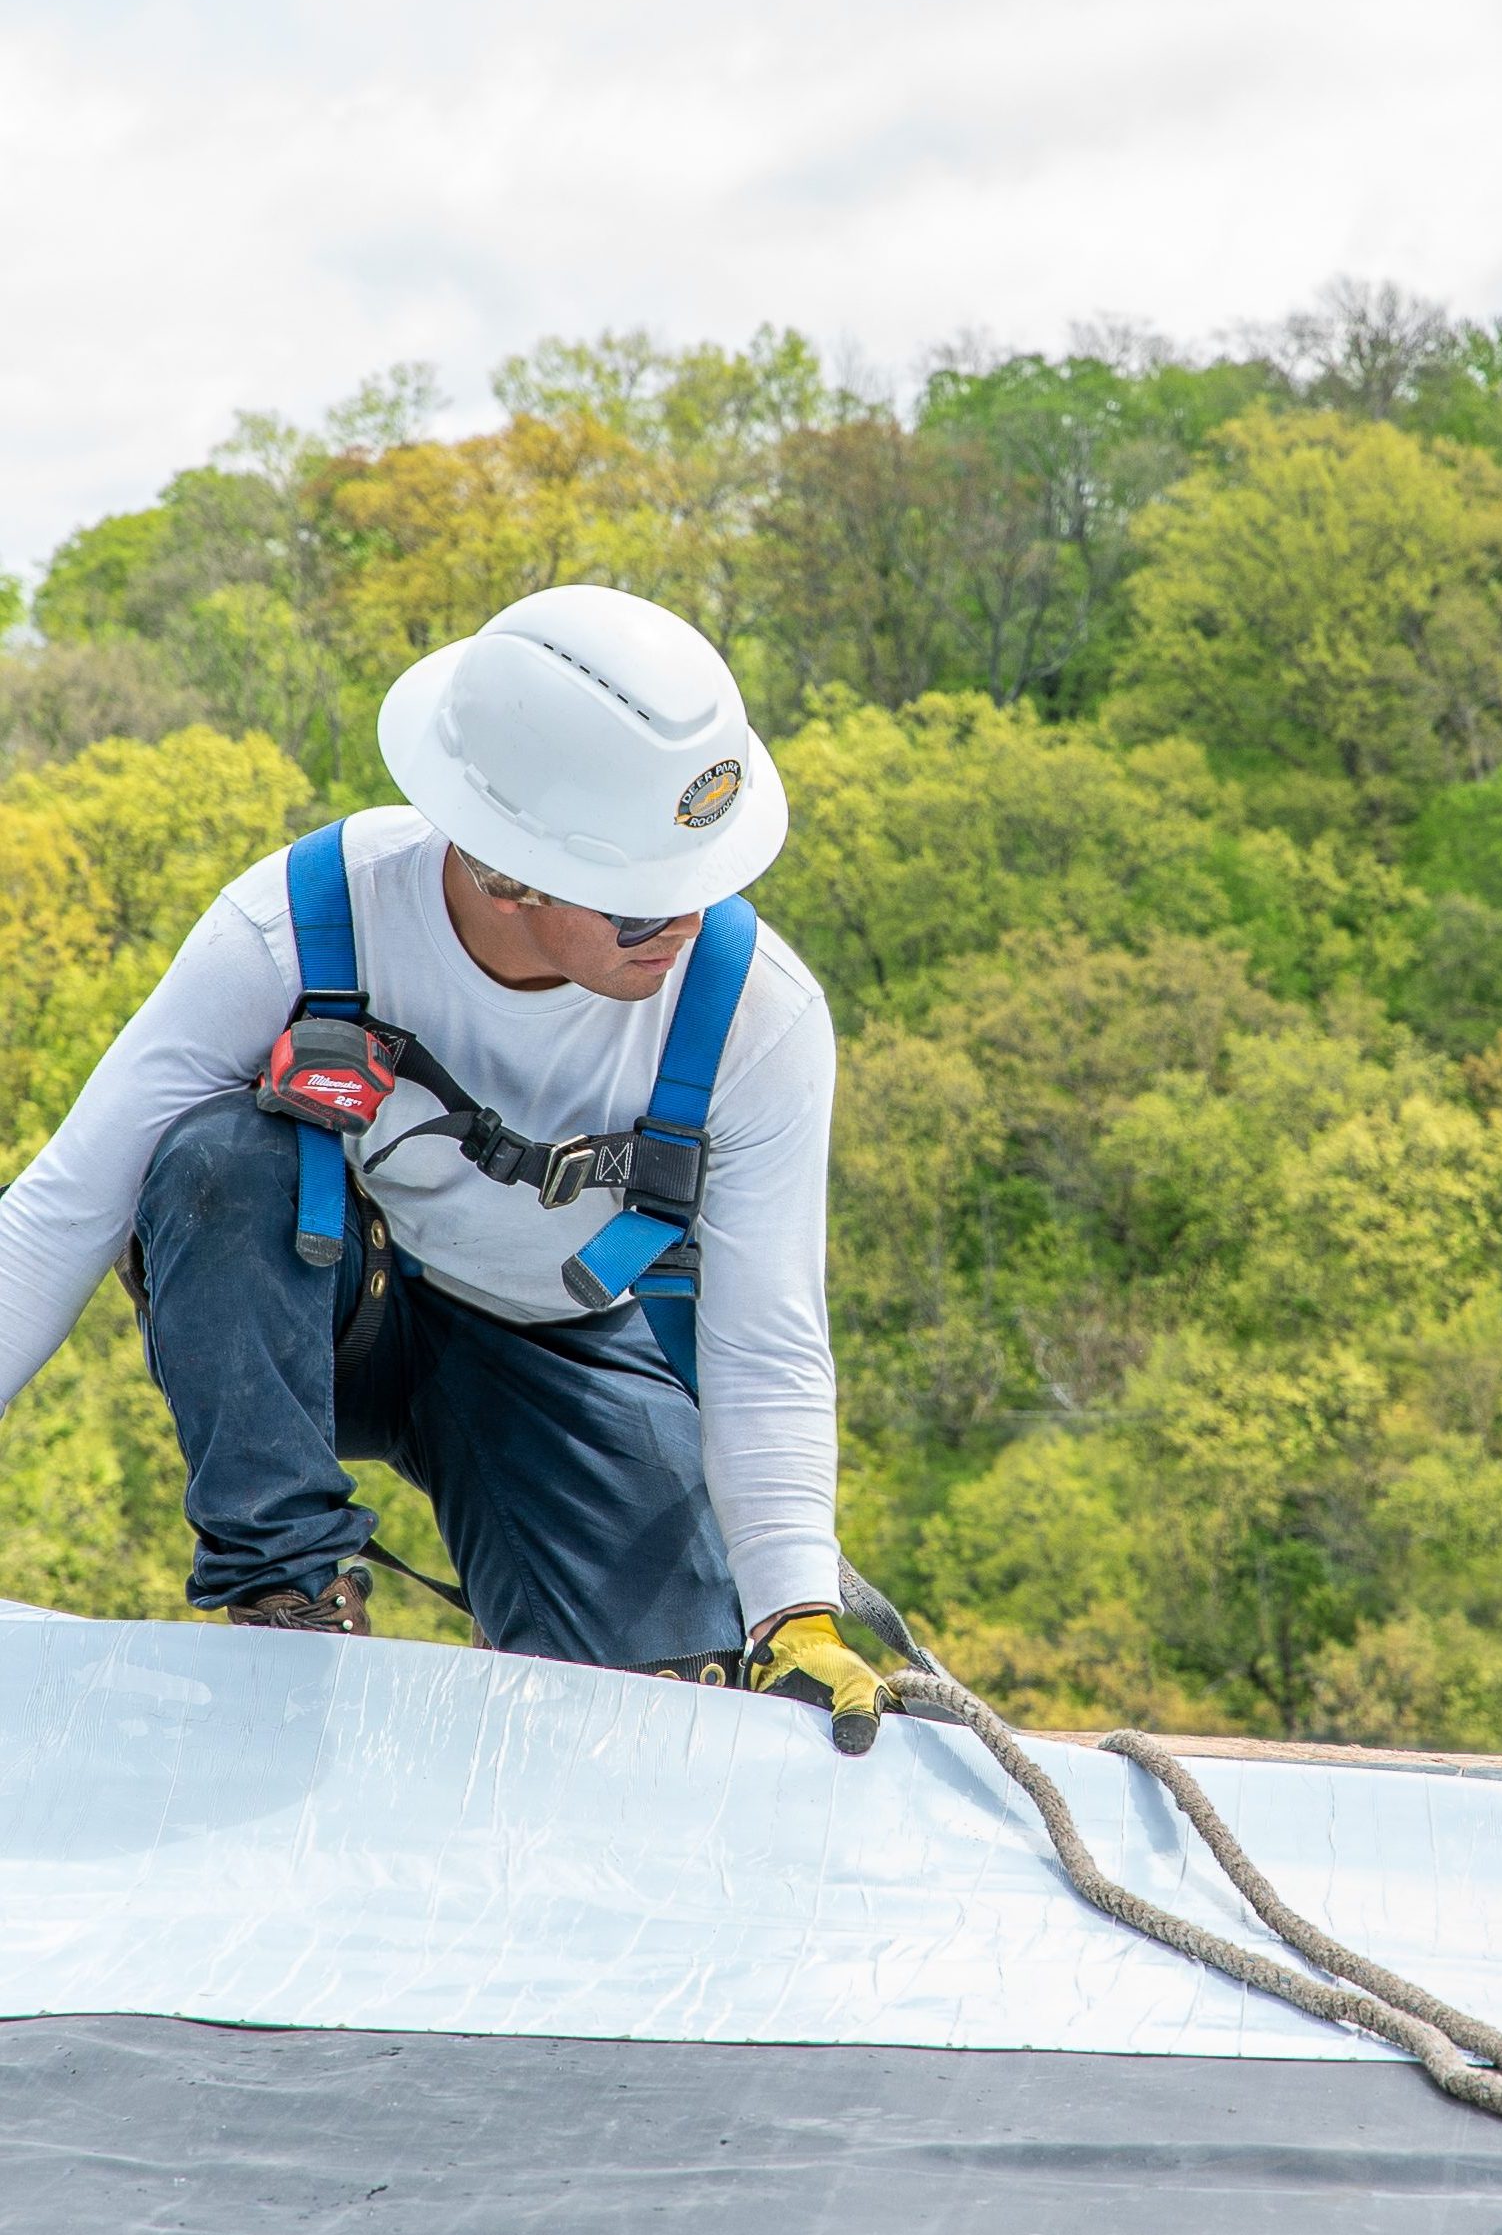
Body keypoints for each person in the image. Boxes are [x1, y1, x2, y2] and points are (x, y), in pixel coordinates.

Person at [0, 584, 894, 1753]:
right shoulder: (302, 921)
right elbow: (63, 1211)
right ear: (501, 871)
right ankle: (287, 1596)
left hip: (559, 1342)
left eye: (701, 884)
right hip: (327, 1305)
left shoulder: (755, 1014)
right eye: (638, 909)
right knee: (219, 1161)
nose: (678, 930)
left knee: (665, 1710)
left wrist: (792, 1610)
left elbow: (766, 1335)